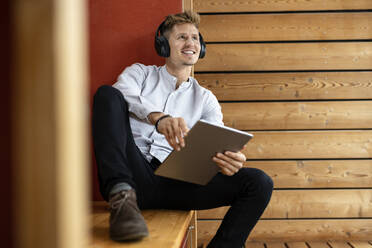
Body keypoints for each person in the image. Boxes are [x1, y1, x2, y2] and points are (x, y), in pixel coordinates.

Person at [92, 11, 273, 248]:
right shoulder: (140, 73)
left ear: (202, 47)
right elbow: (123, 92)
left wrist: (227, 160)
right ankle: (121, 197)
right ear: (163, 46)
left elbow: (215, 141)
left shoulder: (206, 99)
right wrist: (159, 118)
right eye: (181, 37)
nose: (190, 43)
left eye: (195, 38)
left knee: (260, 182)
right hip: (133, 176)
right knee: (107, 94)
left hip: (177, 183)